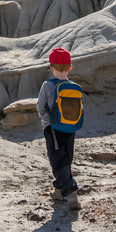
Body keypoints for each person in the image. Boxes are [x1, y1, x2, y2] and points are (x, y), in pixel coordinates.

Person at [37, 47, 84, 210]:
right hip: (71, 127)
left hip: (53, 127)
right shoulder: (74, 86)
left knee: (57, 158)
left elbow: (40, 106)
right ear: (70, 67)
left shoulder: (48, 85)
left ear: (51, 67)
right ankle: (59, 191)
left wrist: (44, 118)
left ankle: (70, 193)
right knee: (66, 157)